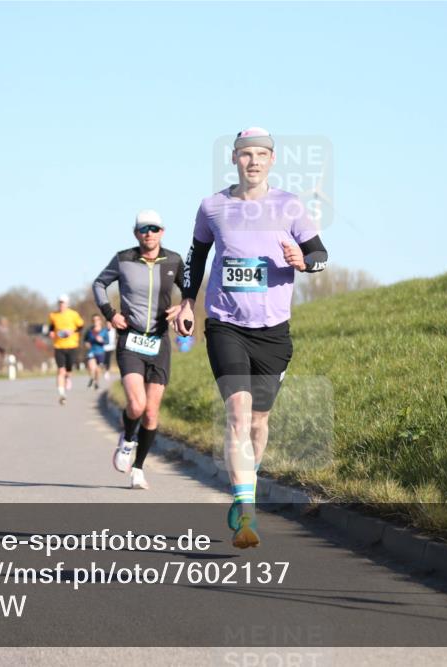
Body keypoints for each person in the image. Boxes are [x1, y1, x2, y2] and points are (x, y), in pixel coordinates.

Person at [176, 128, 328, 548]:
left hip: (274, 331)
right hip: (226, 324)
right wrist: (188, 302)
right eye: (246, 154)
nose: (254, 161)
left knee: (259, 422)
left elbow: (320, 254)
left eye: (262, 154)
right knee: (239, 416)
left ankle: (247, 486)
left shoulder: (290, 206)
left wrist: (305, 261)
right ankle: (247, 512)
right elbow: (196, 257)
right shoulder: (213, 207)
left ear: (272, 160)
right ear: (234, 159)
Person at [94, 210, 185, 490]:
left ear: (162, 231)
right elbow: (99, 284)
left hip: (159, 343)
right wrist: (110, 313)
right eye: (144, 229)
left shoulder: (174, 260)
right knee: (136, 404)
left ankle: (138, 468)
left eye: (154, 228)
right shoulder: (123, 259)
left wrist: (183, 307)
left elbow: (191, 291)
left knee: (152, 413)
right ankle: (127, 440)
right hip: (130, 339)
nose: (149, 233)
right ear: (136, 233)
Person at [48, 294, 84, 406]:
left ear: (67, 304)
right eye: (60, 303)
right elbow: (51, 327)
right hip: (59, 346)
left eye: (63, 303)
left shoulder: (74, 314)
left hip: (72, 345)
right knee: (60, 371)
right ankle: (62, 395)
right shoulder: (53, 315)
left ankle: (68, 378)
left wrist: (72, 332)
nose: (61, 305)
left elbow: (81, 326)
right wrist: (51, 333)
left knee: (68, 370)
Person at [84, 314, 109, 390]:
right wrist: (86, 343)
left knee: (98, 370)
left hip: (100, 352)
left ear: (100, 321)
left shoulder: (104, 331)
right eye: (94, 320)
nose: (95, 321)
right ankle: (91, 378)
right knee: (92, 367)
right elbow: (85, 340)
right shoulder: (89, 330)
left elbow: (107, 341)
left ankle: (96, 382)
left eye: (97, 320)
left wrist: (102, 341)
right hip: (92, 351)